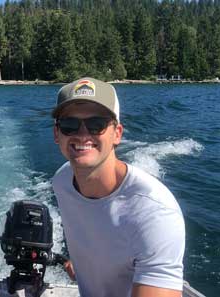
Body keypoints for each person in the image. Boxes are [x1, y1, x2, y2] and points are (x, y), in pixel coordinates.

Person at [51, 77, 185, 297]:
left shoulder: (155, 214)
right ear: (57, 134)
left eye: (97, 124)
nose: (83, 134)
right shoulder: (62, 181)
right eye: (69, 124)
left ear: (117, 134)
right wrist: (88, 266)